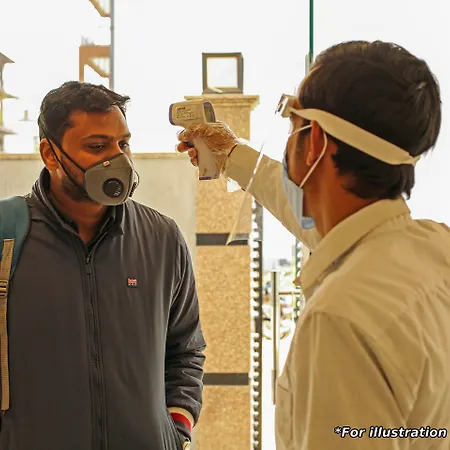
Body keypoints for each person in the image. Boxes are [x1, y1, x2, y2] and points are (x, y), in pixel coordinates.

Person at [178, 40, 450, 449]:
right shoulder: (434, 249)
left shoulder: (339, 319)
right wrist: (232, 154)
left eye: (293, 119)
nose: (289, 137)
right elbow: (324, 225)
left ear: (317, 139)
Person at [2, 81, 205, 450]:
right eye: (97, 147)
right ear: (50, 154)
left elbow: (185, 349)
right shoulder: (6, 237)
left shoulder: (161, 238)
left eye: (122, 144)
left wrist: (176, 430)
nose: (117, 159)